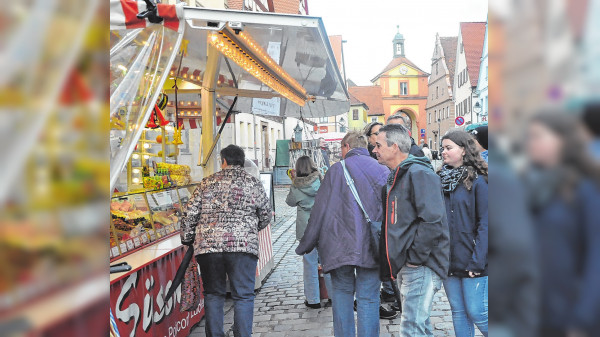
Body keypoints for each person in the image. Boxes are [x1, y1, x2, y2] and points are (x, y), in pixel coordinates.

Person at [296, 131, 395, 337]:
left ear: (346, 147)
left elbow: (319, 210)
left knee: (342, 295)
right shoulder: (382, 170)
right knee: (368, 298)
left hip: (338, 245)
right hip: (372, 246)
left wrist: (306, 244)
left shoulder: (336, 171)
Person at [180, 145, 272, 337]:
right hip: (243, 247)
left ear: (223, 161)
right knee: (244, 295)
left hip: (208, 248)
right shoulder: (252, 183)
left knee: (214, 294)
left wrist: (187, 239)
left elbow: (189, 214)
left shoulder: (207, 182)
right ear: (241, 161)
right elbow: (265, 214)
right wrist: (249, 230)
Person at [523, 112, 600, 337]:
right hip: (538, 314)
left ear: (563, 140)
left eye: (537, 136)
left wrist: (582, 319)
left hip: (573, 316)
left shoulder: (586, 187)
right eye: (529, 136)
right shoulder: (535, 183)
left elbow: (596, 256)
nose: (530, 143)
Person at [373, 124, 450, 337]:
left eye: (378, 145)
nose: (375, 150)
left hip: (421, 265)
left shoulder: (419, 173)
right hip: (411, 264)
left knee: (411, 328)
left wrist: (415, 258)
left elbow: (432, 220)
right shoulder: (401, 174)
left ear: (394, 147)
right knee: (419, 327)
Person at [438, 130, 489, 337]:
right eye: (442, 148)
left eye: (448, 148)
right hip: (449, 259)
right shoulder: (440, 180)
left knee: (477, 311)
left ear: (464, 150)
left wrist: (478, 261)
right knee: (458, 312)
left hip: (473, 258)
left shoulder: (480, 181)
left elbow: (486, 224)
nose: (443, 152)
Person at [286, 156, 332, 309]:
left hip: (306, 229)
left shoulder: (296, 185)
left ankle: (313, 300)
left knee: (310, 264)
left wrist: (293, 182)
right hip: (323, 226)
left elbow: (290, 202)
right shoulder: (322, 181)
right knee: (329, 263)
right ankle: (333, 297)